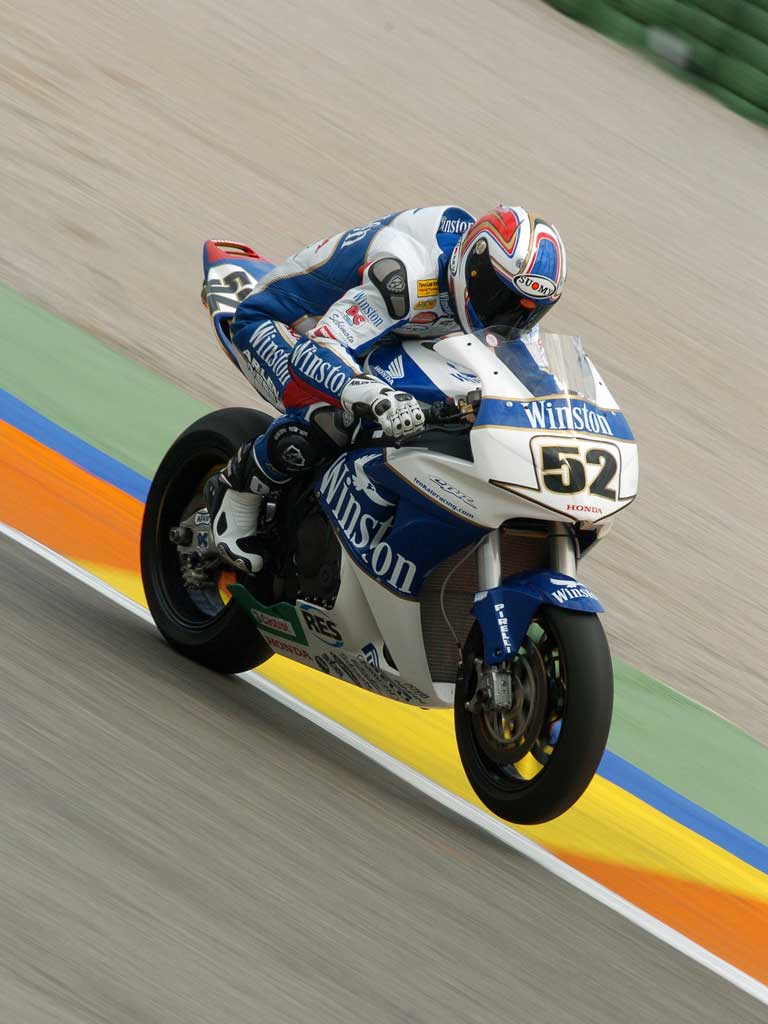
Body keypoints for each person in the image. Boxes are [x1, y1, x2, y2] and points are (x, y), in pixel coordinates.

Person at [205, 205, 567, 572]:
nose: (509, 315)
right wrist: (376, 397)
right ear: (473, 263)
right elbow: (318, 349)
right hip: (287, 325)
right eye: (499, 296)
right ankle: (238, 489)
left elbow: (536, 378)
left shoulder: (511, 311)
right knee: (335, 417)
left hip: (381, 337)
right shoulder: (407, 274)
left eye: (528, 310)